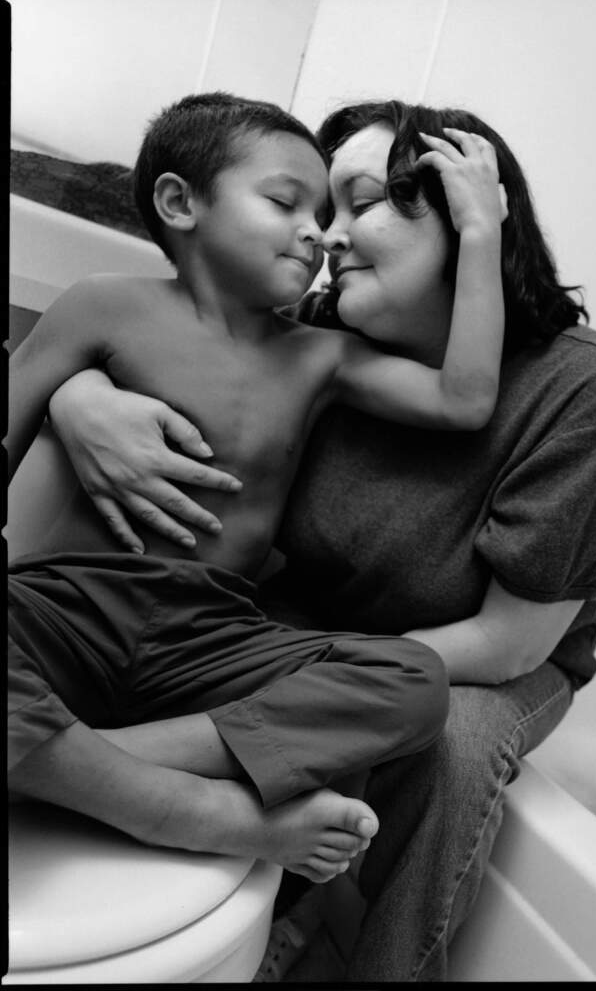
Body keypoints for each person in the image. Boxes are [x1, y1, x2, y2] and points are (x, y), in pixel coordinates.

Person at [41, 99, 596, 981]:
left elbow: (511, 639)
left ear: (465, 218)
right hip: (300, 617)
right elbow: (134, 333)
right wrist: (80, 400)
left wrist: (335, 689)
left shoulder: (589, 390)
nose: (325, 236)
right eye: (316, 211)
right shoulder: (317, 337)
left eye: (360, 202)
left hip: (487, 656)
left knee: (450, 739)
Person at [8, 91, 510, 884]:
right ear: (180, 203)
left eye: (324, 211)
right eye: (286, 202)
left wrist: (480, 234)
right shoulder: (100, 304)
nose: (318, 230)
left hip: (208, 634)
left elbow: (464, 398)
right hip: (64, 610)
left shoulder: (319, 356)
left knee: (412, 683)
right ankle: (176, 805)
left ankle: (67, 770)